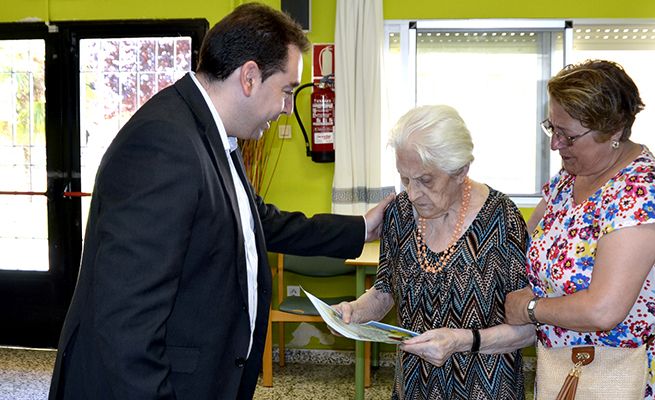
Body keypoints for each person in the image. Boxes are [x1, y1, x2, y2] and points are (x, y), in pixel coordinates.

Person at [48, 4, 391, 400]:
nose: (287, 108)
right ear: (249, 77)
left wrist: (362, 228)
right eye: (286, 91)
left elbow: (258, 221)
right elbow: (127, 322)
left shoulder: (211, 134)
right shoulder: (164, 143)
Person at [504, 60, 655, 398]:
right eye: (551, 127)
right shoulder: (568, 179)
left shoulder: (642, 193)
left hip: (641, 374)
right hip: (572, 366)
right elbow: (524, 243)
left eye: (568, 135)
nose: (555, 144)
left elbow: (603, 309)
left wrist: (529, 309)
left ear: (614, 131)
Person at [332, 105, 536, 400]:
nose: (413, 194)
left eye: (426, 181)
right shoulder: (400, 213)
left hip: (486, 388)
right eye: (405, 179)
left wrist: (460, 341)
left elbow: (529, 329)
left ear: (461, 171)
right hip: (414, 386)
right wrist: (353, 312)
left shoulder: (502, 218)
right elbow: (384, 291)